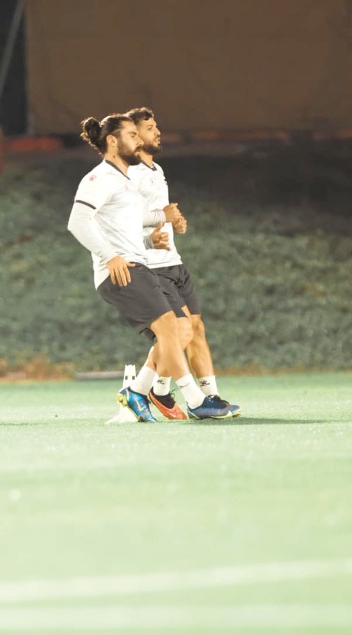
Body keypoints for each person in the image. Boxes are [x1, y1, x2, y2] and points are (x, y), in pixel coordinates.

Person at [67, 113, 234, 421]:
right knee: (173, 329)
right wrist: (109, 256)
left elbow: (128, 222)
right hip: (121, 269)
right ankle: (193, 400)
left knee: (179, 329)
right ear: (114, 142)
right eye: (132, 135)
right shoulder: (98, 178)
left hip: (138, 263)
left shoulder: (124, 180)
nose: (138, 140)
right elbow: (77, 222)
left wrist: (155, 231)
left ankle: (138, 392)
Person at [127, 107, 239, 418]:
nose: (157, 132)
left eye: (156, 126)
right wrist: (153, 233)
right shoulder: (132, 174)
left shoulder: (155, 170)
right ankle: (148, 388)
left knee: (197, 328)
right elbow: (123, 220)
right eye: (150, 128)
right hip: (153, 265)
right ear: (134, 137)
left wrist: (173, 221)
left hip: (173, 261)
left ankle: (211, 397)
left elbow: (159, 212)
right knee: (181, 332)